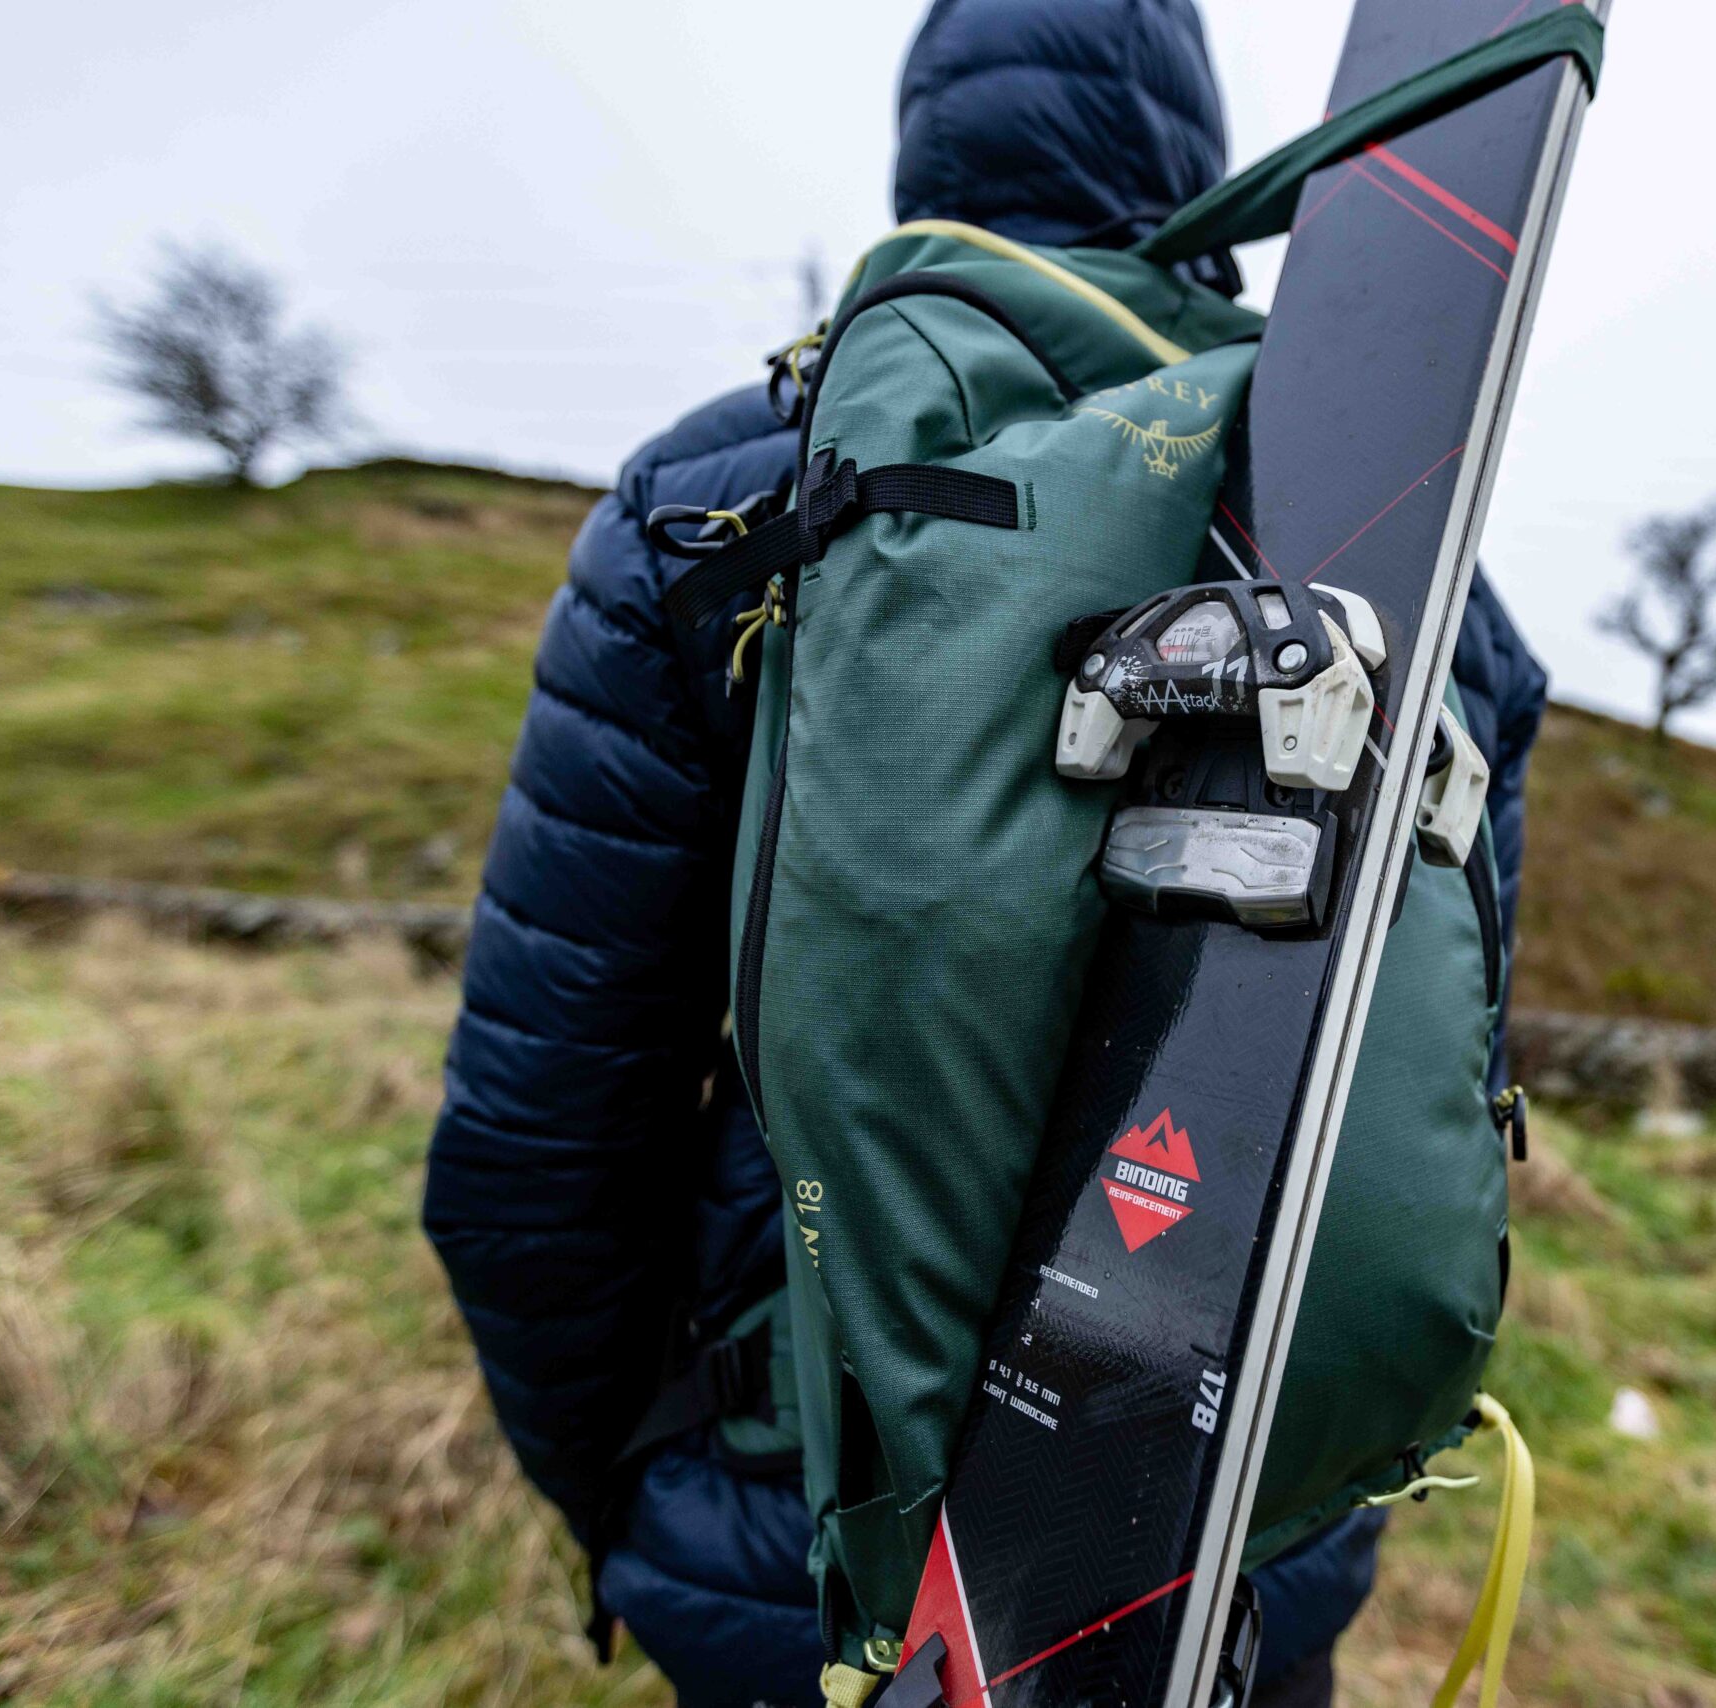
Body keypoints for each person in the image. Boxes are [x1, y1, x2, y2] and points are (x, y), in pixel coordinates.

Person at [423, 2, 1551, 1704]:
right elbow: (1440, 1077)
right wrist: (1319, 1526)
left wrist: (633, 1500)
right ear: (1194, 153)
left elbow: (536, 1142)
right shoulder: (1413, 557)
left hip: (803, 1543)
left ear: (931, 149)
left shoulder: (723, 501)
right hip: (1233, 1549)